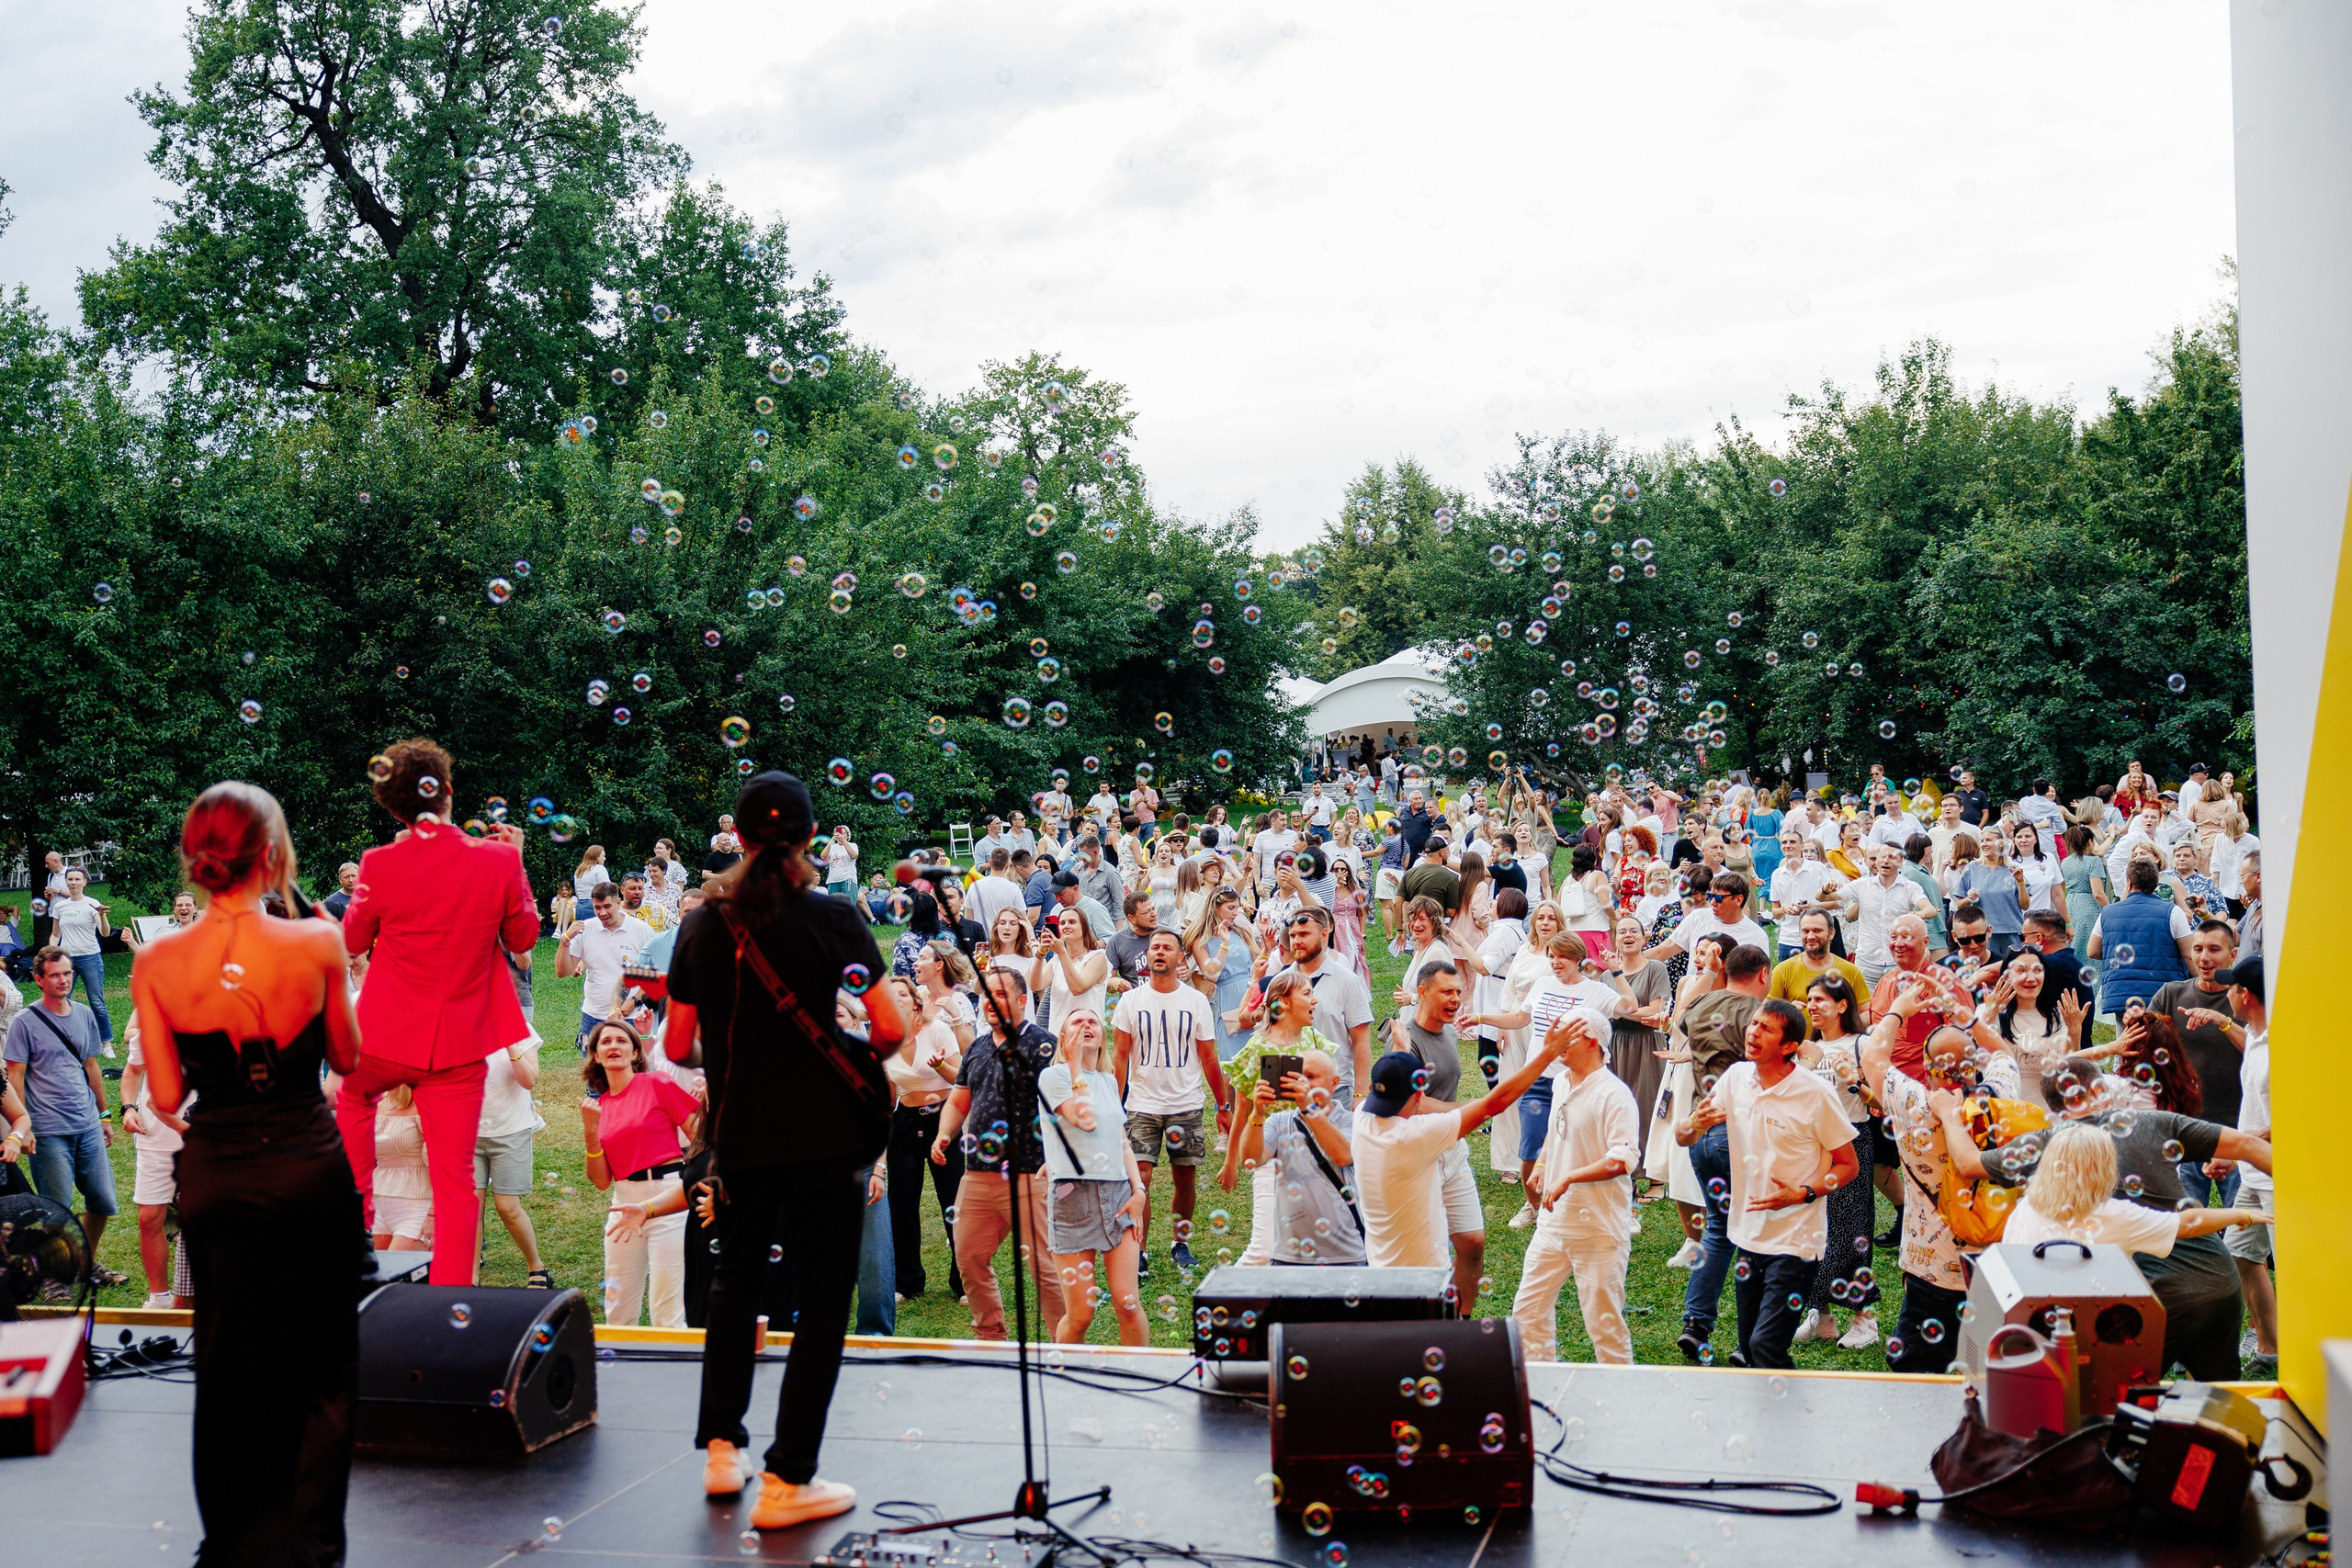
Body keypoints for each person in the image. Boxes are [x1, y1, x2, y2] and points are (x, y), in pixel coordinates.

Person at [128, 782, 365, 1563]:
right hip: (308, 1164)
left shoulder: (159, 961)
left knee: (226, 1357)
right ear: (272, 853)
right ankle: (311, 1543)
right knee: (323, 1360)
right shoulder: (318, 941)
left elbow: (164, 1094)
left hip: (218, 1175)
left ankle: (234, 1540)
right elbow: (347, 1057)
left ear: (196, 857)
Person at [664, 770, 907, 1529]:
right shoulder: (834, 917)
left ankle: (719, 1451)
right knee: (825, 1301)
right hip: (827, 1138)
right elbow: (892, 1028)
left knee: (735, 1286)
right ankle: (788, 1480)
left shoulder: (701, 924)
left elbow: (676, 1042)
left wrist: (744, 1050)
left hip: (739, 1135)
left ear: (735, 838)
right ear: (810, 839)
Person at [335, 739, 537, 1285]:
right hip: (456, 1048)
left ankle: (356, 1222)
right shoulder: (498, 858)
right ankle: (448, 1298)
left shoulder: (379, 862)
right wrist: (515, 861)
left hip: (384, 1037)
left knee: (351, 1100)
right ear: (447, 791)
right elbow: (522, 937)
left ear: (392, 806)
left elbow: (354, 937)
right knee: (454, 1187)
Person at [1674, 998, 1860, 1371]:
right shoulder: (1735, 1078)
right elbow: (1683, 1138)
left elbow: (1848, 1165)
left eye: (1766, 1029)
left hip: (1796, 1238)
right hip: (1748, 1234)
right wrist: (1694, 1122)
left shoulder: (1815, 1094)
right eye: (1754, 1024)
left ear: (1790, 1045)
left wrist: (1803, 1193)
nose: (1753, 1033)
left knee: (1764, 1346)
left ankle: (1796, 1421)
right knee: (1749, 1349)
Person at [1353, 1017, 1581, 1292]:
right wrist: (1548, 1053)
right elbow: (1493, 1104)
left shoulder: (1362, 1118)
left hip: (1379, 1275)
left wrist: (1402, 1049)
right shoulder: (1416, 1136)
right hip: (1424, 1281)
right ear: (1417, 1098)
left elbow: (1397, 1082)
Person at [1510, 987, 1641, 1364]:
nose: (1553, 1042)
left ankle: (1621, 1396)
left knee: (1604, 1324)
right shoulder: (1561, 1082)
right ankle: (1539, 1384)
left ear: (1590, 1041)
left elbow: (1623, 1159)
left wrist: (1567, 1178)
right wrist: (1544, 1162)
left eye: (1563, 1034)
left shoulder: (1615, 1096)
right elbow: (1557, 1128)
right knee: (1528, 1310)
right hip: (1554, 1225)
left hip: (1599, 1228)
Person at [933, 965, 1062, 1343]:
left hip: (1029, 1173)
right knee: (969, 1256)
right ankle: (990, 1334)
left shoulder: (1044, 1045)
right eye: (988, 994)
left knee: (1043, 1265)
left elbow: (1063, 1108)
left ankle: (1066, 1343)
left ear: (1023, 1001)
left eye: (1002, 994)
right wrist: (944, 1133)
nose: (992, 1002)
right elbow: (959, 1099)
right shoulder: (976, 1046)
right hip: (978, 1173)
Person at [1112, 929, 1228, 1275]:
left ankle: (1181, 1243)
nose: (1159, 952)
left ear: (1180, 957)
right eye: (1155, 947)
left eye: (1167, 948)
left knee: (1185, 1177)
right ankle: (1140, 1248)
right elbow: (1119, 1057)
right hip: (1142, 1104)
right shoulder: (1130, 1001)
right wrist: (1114, 1106)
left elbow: (1209, 1057)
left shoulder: (1195, 1001)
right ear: (1148, 956)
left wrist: (1223, 1106)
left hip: (1186, 1104)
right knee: (1139, 1179)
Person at [6, 948, 124, 1278]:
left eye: (68, 973)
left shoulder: (85, 1014)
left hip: (87, 1123)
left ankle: (84, 1263)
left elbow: (92, 1067)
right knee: (55, 1212)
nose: (63, 980)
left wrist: (104, 1115)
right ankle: (56, 1272)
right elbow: (14, 1077)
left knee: (102, 1202)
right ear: (39, 979)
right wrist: (23, 1127)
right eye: (55, 975)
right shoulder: (24, 1022)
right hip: (47, 1130)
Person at [1038, 1005, 1150, 1344]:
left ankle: (1140, 1382)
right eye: (1077, 1021)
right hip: (1073, 1199)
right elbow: (1085, 1119)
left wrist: (1139, 1191)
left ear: (1103, 1036)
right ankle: (1068, 1384)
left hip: (1118, 1194)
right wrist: (1074, 1065)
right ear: (1063, 1036)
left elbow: (1121, 1142)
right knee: (1081, 1313)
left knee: (1128, 1302)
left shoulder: (1108, 1079)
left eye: (1093, 1022)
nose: (1087, 1025)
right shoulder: (1053, 1076)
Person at [1386, 961, 1495, 1308]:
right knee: (1425, 1252)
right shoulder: (1405, 1041)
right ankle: (1427, 1323)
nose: (1456, 999)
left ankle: (1460, 1322)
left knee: (1473, 1242)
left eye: (1459, 992)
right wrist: (1470, 1109)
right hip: (1420, 1156)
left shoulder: (1448, 1030)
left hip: (1452, 1148)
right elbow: (1410, 1102)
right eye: (1447, 992)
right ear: (1422, 992)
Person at [586, 1018, 699, 1325]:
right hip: (623, 1206)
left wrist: (697, 1177)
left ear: (636, 1052)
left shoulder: (657, 1083)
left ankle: (671, 1373)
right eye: (605, 1042)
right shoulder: (600, 1107)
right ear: (595, 1055)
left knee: (666, 1311)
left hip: (669, 1201)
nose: (613, 1046)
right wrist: (589, 1132)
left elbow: (700, 1138)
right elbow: (600, 1181)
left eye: (622, 1041)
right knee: (617, 1311)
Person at [2003, 1122, 2265, 1254]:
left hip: (2025, 1323)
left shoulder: (2027, 1206)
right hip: (2087, 1327)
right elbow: (2188, 1223)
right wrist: (2243, 1214)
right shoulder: (2116, 1215)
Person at [1791, 974, 1881, 1349]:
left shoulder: (1862, 1044)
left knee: (1850, 1233)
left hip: (1852, 1145)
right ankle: (1822, 1316)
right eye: (1809, 1000)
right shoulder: (1803, 1049)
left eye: (1820, 1000)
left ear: (1842, 1006)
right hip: (1813, 1149)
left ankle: (1865, 1320)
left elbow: (1879, 1103)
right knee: (1815, 1231)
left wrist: (1854, 1081)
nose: (1812, 1006)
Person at [2151, 919, 2247, 1202]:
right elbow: (2141, 1044)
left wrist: (2223, 1022)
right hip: (2184, 1127)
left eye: (2214, 949)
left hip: (2237, 1129)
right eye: (2198, 949)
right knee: (2188, 1225)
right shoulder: (2171, 993)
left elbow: (2263, 1051)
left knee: (2242, 1225)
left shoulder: (2245, 999)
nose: (2204, 958)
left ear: (2232, 955)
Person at [882, 975, 964, 1303]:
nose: (895, 998)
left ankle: (963, 1281)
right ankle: (908, 1281)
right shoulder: (884, 1039)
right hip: (903, 1122)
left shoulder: (938, 1030)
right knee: (901, 1203)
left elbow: (960, 1077)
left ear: (916, 1001)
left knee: (953, 1200)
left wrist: (941, 1065)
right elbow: (890, 1094)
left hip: (943, 1118)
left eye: (901, 993)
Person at [476, 951, 551, 1286]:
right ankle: (471, 1277)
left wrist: (510, 1046)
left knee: (507, 1207)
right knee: (470, 1210)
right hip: (468, 1132)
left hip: (510, 1129)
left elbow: (529, 1079)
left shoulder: (520, 1027)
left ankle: (537, 1267)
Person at [2221, 953, 2278, 1376]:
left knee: (2295, 1269)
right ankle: (2270, 1350)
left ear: (2245, 994)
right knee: (2241, 1255)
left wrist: (2241, 1145)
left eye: (2231, 986)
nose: (2226, 992)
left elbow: (2295, 1115)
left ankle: (2313, 1352)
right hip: (2251, 1173)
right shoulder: (2254, 1037)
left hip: (2279, 1175)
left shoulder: (2283, 1043)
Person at [2088, 857, 2194, 1017]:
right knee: (2164, 1040)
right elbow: (2189, 955)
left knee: (2126, 1040)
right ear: (2155, 884)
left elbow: (2093, 951)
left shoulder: (2107, 912)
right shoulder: (2173, 912)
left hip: (2122, 993)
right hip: (2163, 993)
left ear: (2129, 884)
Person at [560, 881, 659, 1048]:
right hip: (593, 1015)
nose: (602, 912)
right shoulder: (585, 929)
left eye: (607, 906)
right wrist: (565, 940)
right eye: (597, 908)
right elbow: (563, 972)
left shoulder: (642, 930)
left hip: (631, 1016)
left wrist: (633, 1002)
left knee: (632, 1068)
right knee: (593, 1070)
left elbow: (654, 976)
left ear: (618, 902)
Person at [49, 866, 115, 1043]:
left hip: (90, 958)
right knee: (62, 999)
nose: (73, 883)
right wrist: (51, 951)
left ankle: (106, 1041)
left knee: (96, 1002)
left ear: (84, 882)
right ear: (66, 882)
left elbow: (105, 933)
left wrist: (102, 916)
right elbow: (55, 935)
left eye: (77, 879)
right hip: (66, 961)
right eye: (70, 879)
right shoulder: (60, 906)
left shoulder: (92, 904)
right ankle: (63, 1039)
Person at [1769, 909, 1868, 1026]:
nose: (1810, 936)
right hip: (1798, 1043)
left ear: (1831, 933)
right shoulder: (1783, 970)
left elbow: (1867, 1013)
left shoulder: (1851, 971)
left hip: (1839, 1043)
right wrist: (1784, 1011)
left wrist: (1846, 1027)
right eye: (1805, 931)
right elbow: (1764, 1013)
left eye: (1817, 931)